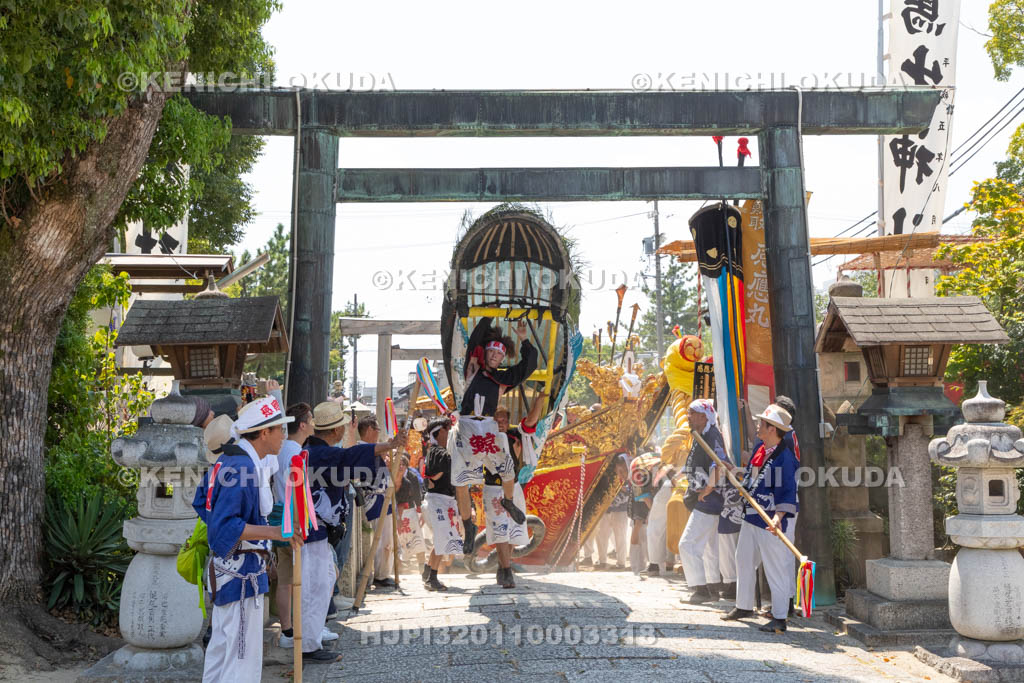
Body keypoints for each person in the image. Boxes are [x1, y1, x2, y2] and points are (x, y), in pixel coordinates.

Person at [192, 396, 302, 682]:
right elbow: (226, 525)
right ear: (264, 433)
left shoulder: (230, 460)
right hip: (240, 574)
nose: (284, 436)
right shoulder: (242, 468)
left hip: (230, 570)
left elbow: (201, 503)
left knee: (222, 652)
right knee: (242, 658)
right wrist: (272, 534)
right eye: (280, 429)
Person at [304, 402, 402, 658]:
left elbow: (349, 459)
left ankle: (312, 638)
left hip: (320, 532)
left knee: (323, 581)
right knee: (315, 587)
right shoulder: (319, 454)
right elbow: (350, 456)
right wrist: (390, 446)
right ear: (335, 431)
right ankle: (308, 645)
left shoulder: (315, 451)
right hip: (313, 531)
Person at [452, 317, 538, 553]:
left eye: (499, 355)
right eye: (491, 351)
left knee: (508, 472)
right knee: (461, 480)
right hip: (468, 425)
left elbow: (527, 368)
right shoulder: (473, 368)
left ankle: (508, 501)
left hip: (489, 426)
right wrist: (489, 316)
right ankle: (469, 525)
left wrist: (523, 340)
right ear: (485, 352)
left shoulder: (501, 380)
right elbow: (475, 342)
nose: (494, 356)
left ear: (502, 358)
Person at [721, 404, 799, 634]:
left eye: (761, 423)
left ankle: (780, 617)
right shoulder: (760, 450)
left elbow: (787, 493)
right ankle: (744, 606)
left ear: (772, 429)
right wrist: (734, 470)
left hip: (770, 520)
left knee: (775, 568)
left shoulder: (785, 458)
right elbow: (753, 478)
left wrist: (777, 518)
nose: (757, 425)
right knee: (743, 559)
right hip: (752, 517)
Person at [268, 402, 319, 650]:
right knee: (293, 578)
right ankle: (292, 629)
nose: (313, 422)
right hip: (292, 518)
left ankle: (290, 628)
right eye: (310, 418)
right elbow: (297, 490)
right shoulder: (292, 451)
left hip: (282, 514)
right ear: (302, 424)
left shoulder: (286, 448)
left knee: (287, 578)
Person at [487, 393, 544, 588]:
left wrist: (540, 400)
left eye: (504, 419)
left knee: (513, 530)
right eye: (497, 419)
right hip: (493, 488)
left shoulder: (514, 434)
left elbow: (530, 422)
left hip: (514, 487)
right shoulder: (485, 436)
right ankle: (506, 570)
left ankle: (503, 567)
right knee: (501, 530)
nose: (501, 422)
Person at [422, 416, 461, 591]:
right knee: (442, 538)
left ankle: (427, 571)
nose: (450, 432)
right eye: (447, 429)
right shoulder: (439, 452)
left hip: (444, 500)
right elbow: (433, 476)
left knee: (443, 538)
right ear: (439, 432)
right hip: (438, 500)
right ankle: (431, 578)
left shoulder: (439, 451)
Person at [395, 455, 427, 571]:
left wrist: (419, 507)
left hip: (410, 510)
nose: (401, 466)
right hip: (396, 511)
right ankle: (399, 567)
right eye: (399, 463)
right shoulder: (390, 476)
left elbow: (417, 494)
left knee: (417, 538)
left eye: (403, 464)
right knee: (398, 541)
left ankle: (422, 566)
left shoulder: (411, 476)